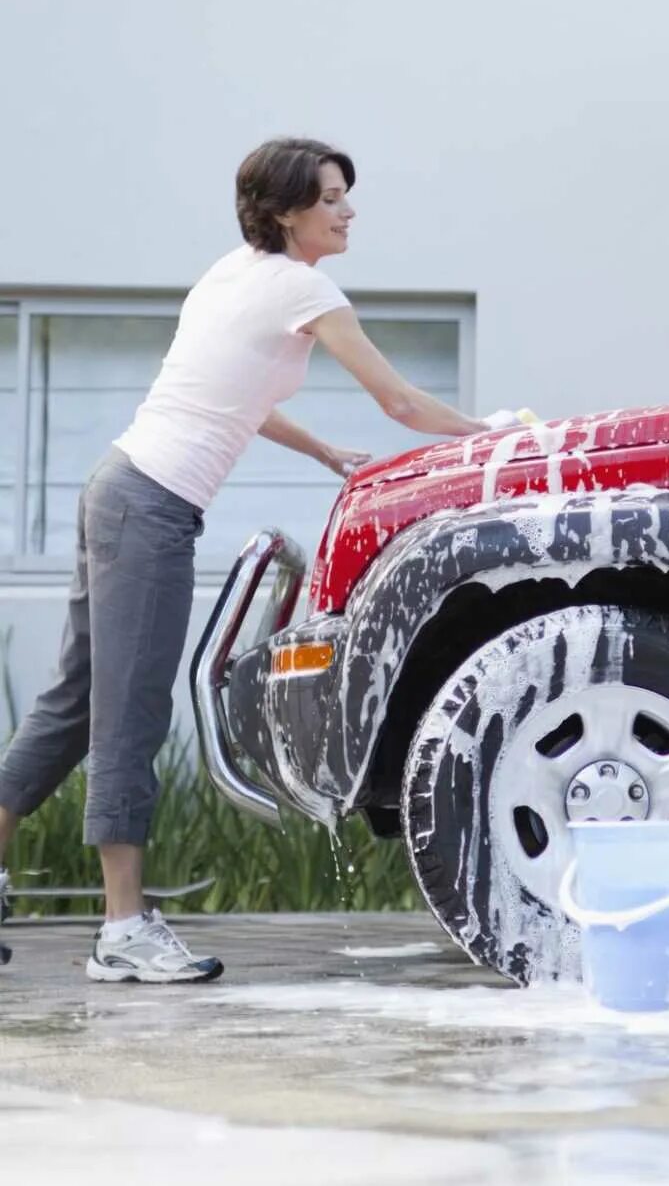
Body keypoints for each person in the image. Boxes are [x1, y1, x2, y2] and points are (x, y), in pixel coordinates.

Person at [0, 137, 491, 982]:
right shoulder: (304, 287)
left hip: (116, 485)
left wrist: (321, 450)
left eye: (346, 195)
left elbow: (236, 396)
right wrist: (502, 436)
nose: (347, 210)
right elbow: (400, 399)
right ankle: (123, 930)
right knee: (128, 714)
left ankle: (106, 916)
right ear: (286, 210)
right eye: (331, 197)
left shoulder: (229, 274)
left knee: (73, 707)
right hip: (149, 504)